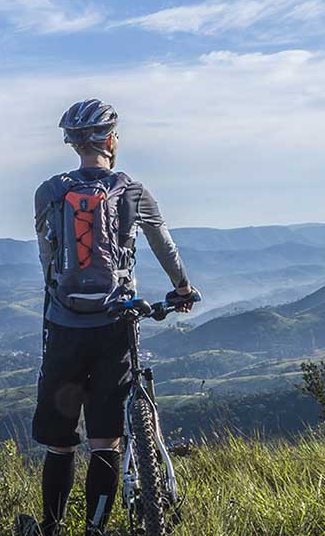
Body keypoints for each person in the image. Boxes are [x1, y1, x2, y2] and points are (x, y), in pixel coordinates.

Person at [19, 99, 196, 536]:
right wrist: (182, 288)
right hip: (115, 327)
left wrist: (61, 297)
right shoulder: (131, 190)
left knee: (60, 444)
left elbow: (47, 256)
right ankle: (95, 529)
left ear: (73, 143)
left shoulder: (49, 191)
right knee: (105, 441)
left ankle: (51, 528)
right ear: (111, 139)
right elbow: (164, 246)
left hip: (63, 327)